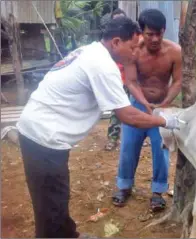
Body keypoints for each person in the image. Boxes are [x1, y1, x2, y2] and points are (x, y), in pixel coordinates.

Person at [16, 16, 181, 238]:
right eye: (132, 47)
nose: (135, 53)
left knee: (56, 197)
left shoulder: (91, 51)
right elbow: (127, 115)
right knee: (50, 206)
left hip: (42, 132)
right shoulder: (103, 65)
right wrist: (165, 121)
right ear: (116, 42)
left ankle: (69, 234)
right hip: (43, 138)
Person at [112, 9, 182, 212]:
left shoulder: (175, 51)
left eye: (159, 33)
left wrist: (164, 104)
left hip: (163, 107)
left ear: (164, 30)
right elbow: (131, 82)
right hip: (137, 105)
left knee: (161, 150)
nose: (154, 38)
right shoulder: (134, 51)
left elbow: (178, 81)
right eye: (149, 34)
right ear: (141, 32)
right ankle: (124, 186)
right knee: (128, 147)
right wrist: (144, 103)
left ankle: (158, 192)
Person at [104, 8, 129, 151]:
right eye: (116, 20)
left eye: (122, 19)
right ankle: (113, 138)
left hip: (131, 80)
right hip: (116, 80)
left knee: (134, 107)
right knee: (117, 110)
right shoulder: (108, 40)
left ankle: (137, 136)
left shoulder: (132, 37)